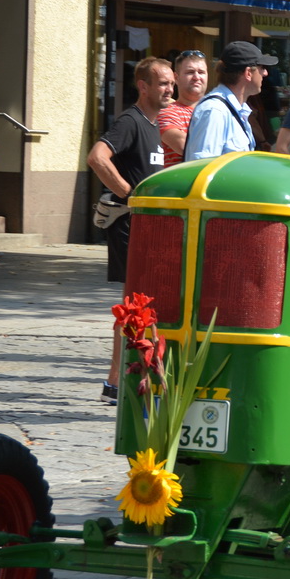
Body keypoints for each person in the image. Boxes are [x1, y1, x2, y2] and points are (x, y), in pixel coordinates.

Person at [88, 57, 174, 403]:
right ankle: (115, 381)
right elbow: (97, 158)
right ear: (144, 86)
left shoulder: (164, 124)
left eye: (171, 83)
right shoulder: (130, 121)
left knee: (146, 303)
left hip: (156, 228)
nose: (170, 89)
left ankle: (127, 377)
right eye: (163, 83)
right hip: (130, 226)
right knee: (132, 304)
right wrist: (130, 194)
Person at [185, 42, 276, 161]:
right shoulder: (215, 111)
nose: (265, 73)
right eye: (262, 68)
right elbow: (201, 166)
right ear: (248, 73)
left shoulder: (233, 109)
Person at [156, 50, 209, 166]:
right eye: (190, 72)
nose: (196, 77)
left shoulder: (218, 111)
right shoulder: (167, 111)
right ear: (176, 78)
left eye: (201, 72)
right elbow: (185, 146)